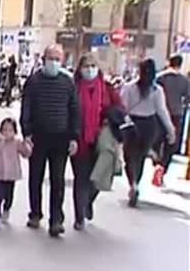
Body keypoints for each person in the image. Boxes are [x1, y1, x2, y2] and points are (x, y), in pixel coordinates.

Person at [20, 44, 80, 237]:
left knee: (58, 180)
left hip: (60, 138)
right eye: (50, 58)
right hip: (38, 136)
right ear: (43, 59)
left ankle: (56, 219)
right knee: (35, 177)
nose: (53, 62)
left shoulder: (68, 83)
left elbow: (74, 110)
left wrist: (73, 136)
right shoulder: (34, 81)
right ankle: (35, 213)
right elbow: (26, 108)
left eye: (57, 59)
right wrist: (26, 133)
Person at [70, 53, 122, 230]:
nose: (90, 69)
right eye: (86, 66)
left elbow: (119, 109)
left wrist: (109, 118)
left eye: (93, 65)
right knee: (81, 178)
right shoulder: (74, 87)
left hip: (101, 139)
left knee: (97, 177)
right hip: (80, 139)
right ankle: (79, 216)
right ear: (80, 68)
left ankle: (88, 201)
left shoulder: (107, 88)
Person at [121, 58, 177, 207]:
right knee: (140, 157)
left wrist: (125, 122)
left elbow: (122, 108)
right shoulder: (157, 90)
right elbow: (162, 112)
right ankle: (137, 182)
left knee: (129, 157)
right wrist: (171, 130)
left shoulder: (129, 87)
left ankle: (132, 183)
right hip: (149, 126)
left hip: (132, 124)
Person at [0, 118, 32, 230]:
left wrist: (27, 145)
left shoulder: (16, 143)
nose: (7, 133)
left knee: (9, 196)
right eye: (4, 130)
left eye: (10, 130)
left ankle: (6, 209)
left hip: (11, 174)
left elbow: (26, 154)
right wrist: (1, 142)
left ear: (14, 132)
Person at [153, 54, 190, 186]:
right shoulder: (184, 80)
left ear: (169, 63)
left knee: (156, 140)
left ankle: (156, 160)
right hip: (176, 114)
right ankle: (162, 168)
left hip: (159, 114)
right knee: (171, 144)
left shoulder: (160, 78)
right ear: (180, 65)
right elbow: (187, 97)